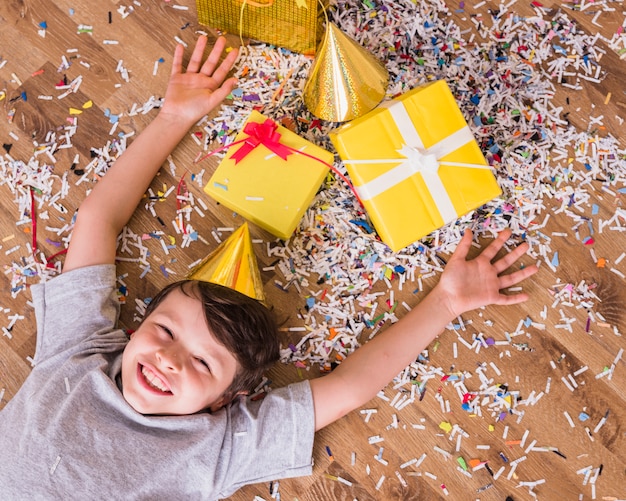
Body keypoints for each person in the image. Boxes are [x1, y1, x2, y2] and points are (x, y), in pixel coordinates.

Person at [0, 36, 538, 498]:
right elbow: (98, 219)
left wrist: (445, 303)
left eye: (204, 365)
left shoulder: (216, 448)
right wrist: (173, 117)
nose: (167, 359)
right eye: (164, 330)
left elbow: (347, 389)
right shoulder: (79, 355)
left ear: (226, 402)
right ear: (136, 328)